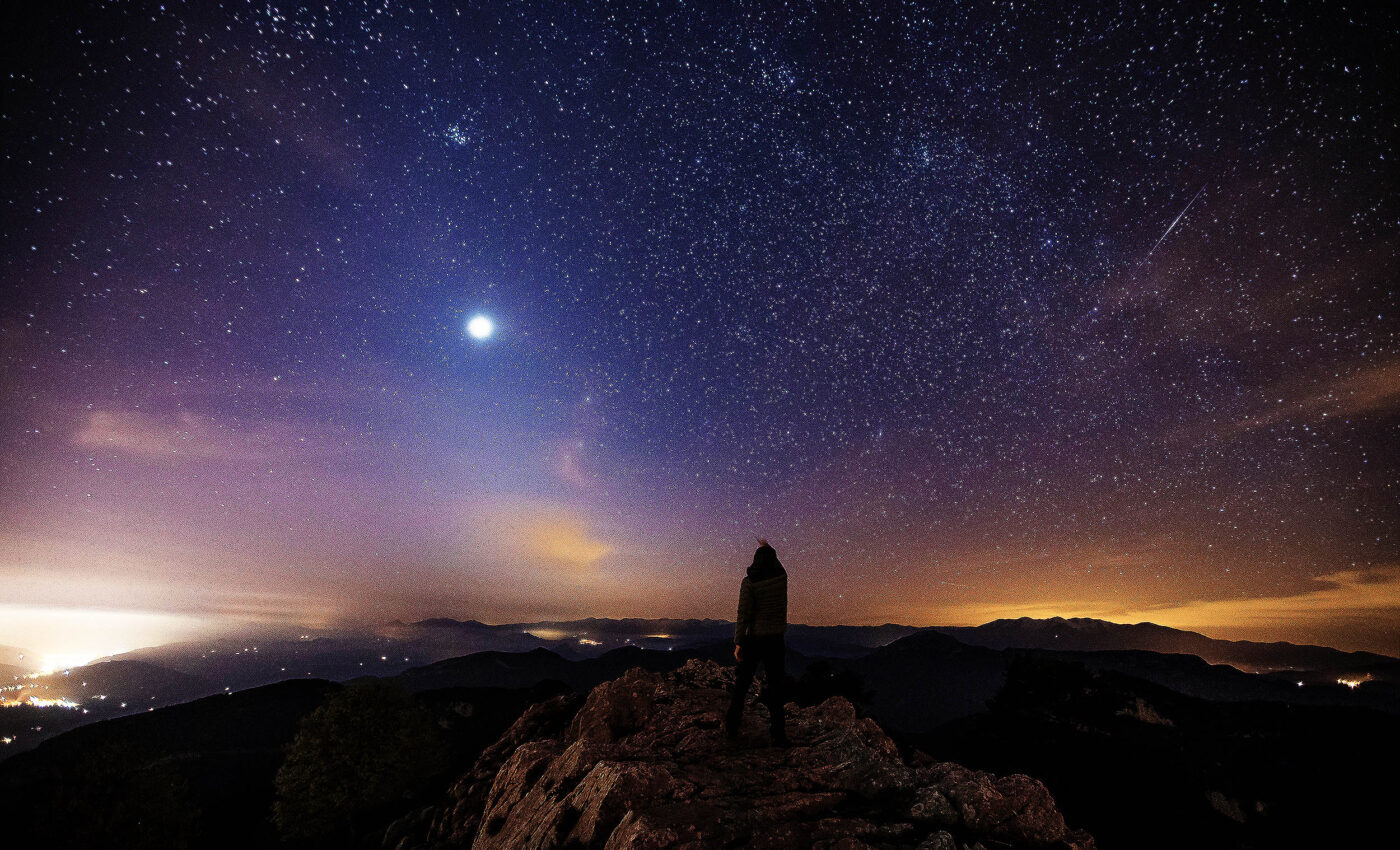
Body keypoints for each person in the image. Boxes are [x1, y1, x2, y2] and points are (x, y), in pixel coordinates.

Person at [726, 538, 789, 746]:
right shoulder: (782, 577)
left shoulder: (749, 582)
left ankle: (731, 727)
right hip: (776, 639)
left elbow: (743, 614)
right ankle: (779, 734)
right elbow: (776, 564)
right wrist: (768, 547)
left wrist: (738, 642)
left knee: (743, 684)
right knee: (777, 686)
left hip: (754, 639)